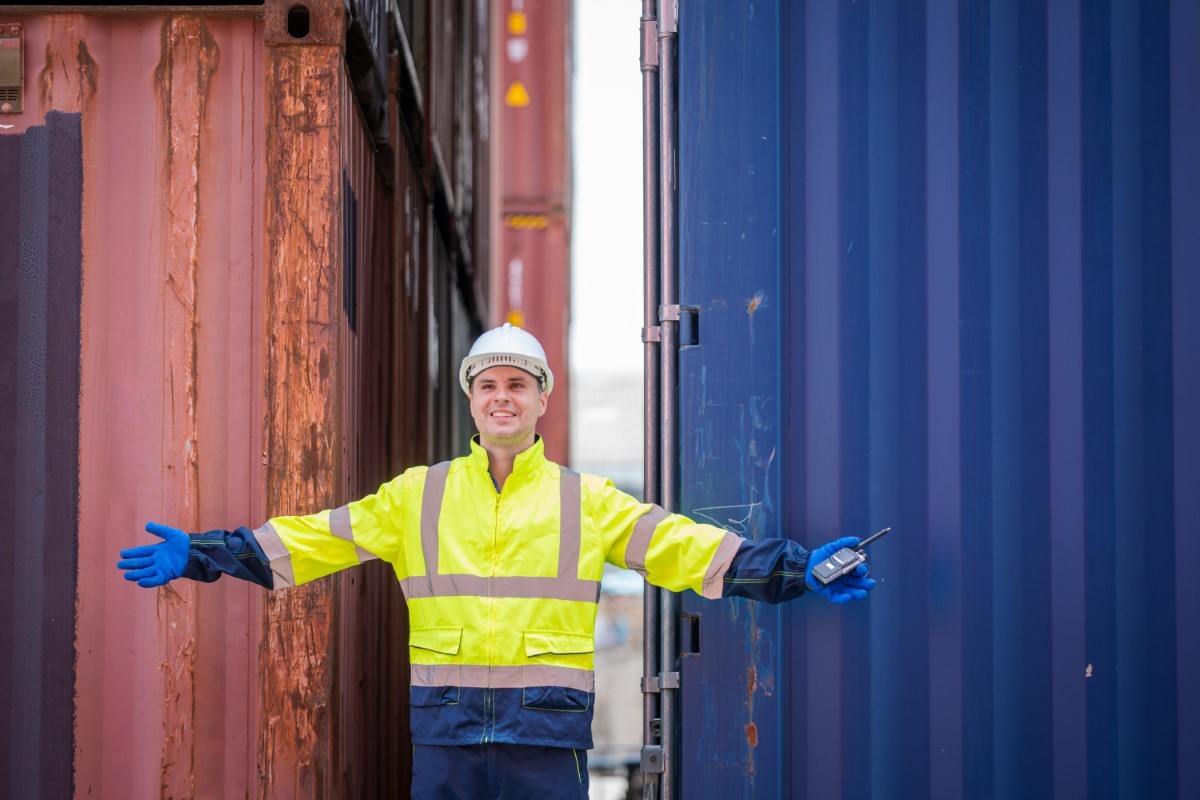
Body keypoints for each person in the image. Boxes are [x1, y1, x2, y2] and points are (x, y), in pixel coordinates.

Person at [117, 323, 876, 800]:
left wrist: (796, 568)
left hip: (545, 743)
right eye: (489, 387)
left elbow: (686, 549)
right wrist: (205, 556)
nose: (502, 398)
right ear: (472, 404)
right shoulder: (418, 496)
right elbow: (315, 540)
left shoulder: (588, 501)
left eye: (518, 385)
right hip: (447, 740)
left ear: (543, 400)